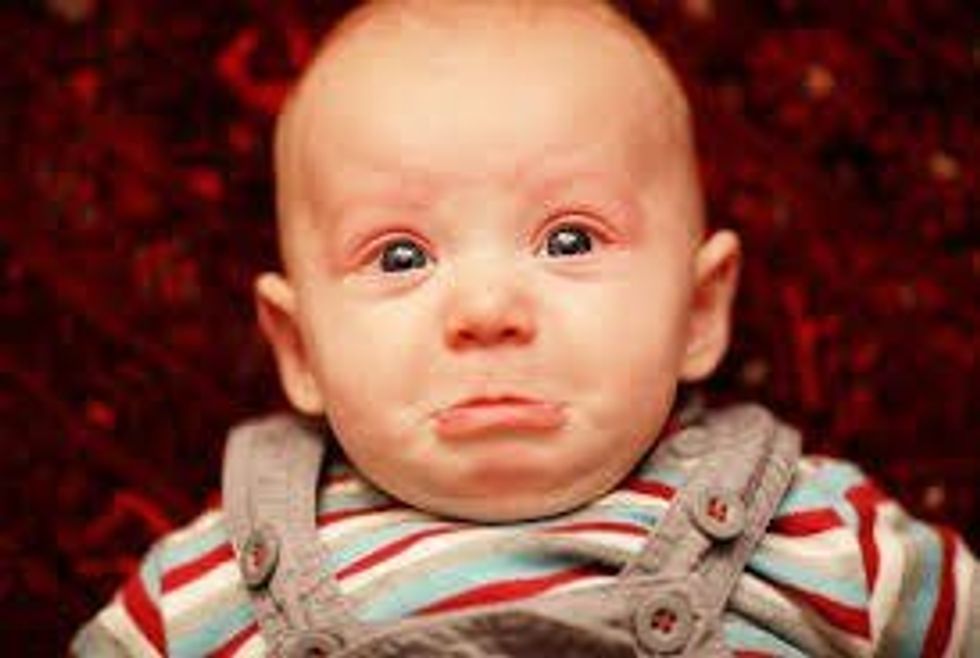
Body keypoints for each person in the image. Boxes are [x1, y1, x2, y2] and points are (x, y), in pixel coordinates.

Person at [71, 1, 979, 655]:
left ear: (700, 312)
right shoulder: (198, 594)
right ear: (300, 348)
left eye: (569, 240)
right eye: (400, 256)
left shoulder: (829, 541)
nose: (487, 313)